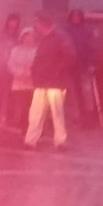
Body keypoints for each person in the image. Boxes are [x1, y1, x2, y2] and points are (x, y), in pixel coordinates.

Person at [25, 11, 75, 149]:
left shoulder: (59, 38)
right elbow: (38, 59)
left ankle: (60, 141)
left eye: (37, 24)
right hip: (43, 81)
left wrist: (56, 71)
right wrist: (34, 73)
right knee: (36, 112)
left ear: (43, 24)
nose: (36, 26)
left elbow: (69, 57)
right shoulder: (47, 39)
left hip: (55, 82)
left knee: (56, 113)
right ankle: (30, 140)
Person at [66, 8, 98, 127]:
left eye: (78, 16)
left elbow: (92, 48)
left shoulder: (87, 30)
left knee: (87, 90)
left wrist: (91, 63)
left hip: (84, 64)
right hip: (70, 65)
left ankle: (89, 114)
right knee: (72, 91)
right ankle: (76, 115)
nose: (76, 18)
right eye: (73, 16)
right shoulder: (67, 30)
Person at [7, 25, 38, 130]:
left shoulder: (37, 51)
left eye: (31, 37)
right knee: (20, 104)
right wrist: (20, 73)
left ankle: (31, 126)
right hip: (18, 81)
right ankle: (22, 125)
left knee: (32, 105)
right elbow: (11, 64)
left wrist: (29, 73)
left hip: (32, 82)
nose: (28, 39)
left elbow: (38, 65)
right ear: (22, 37)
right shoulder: (15, 50)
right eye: (26, 37)